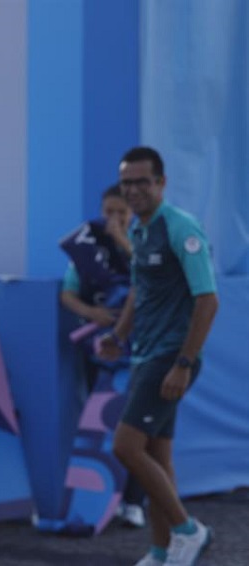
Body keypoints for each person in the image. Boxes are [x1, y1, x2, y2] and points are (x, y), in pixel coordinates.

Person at [96, 147, 218, 566]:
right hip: (145, 356)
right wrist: (118, 334)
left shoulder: (180, 227)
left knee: (126, 448)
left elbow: (208, 301)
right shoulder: (141, 230)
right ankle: (162, 552)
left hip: (170, 359)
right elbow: (138, 290)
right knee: (160, 458)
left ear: (161, 183)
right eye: (127, 182)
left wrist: (184, 364)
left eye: (142, 182)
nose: (133, 190)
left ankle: (189, 530)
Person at [59, 183, 147, 529]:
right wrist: (91, 313)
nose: (113, 219)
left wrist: (123, 241)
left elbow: (150, 277)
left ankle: (133, 501)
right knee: (100, 424)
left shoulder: (144, 242)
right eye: (108, 211)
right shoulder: (88, 248)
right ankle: (95, 504)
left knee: (136, 429)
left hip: (138, 354)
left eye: (120, 213)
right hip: (99, 352)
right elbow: (69, 292)